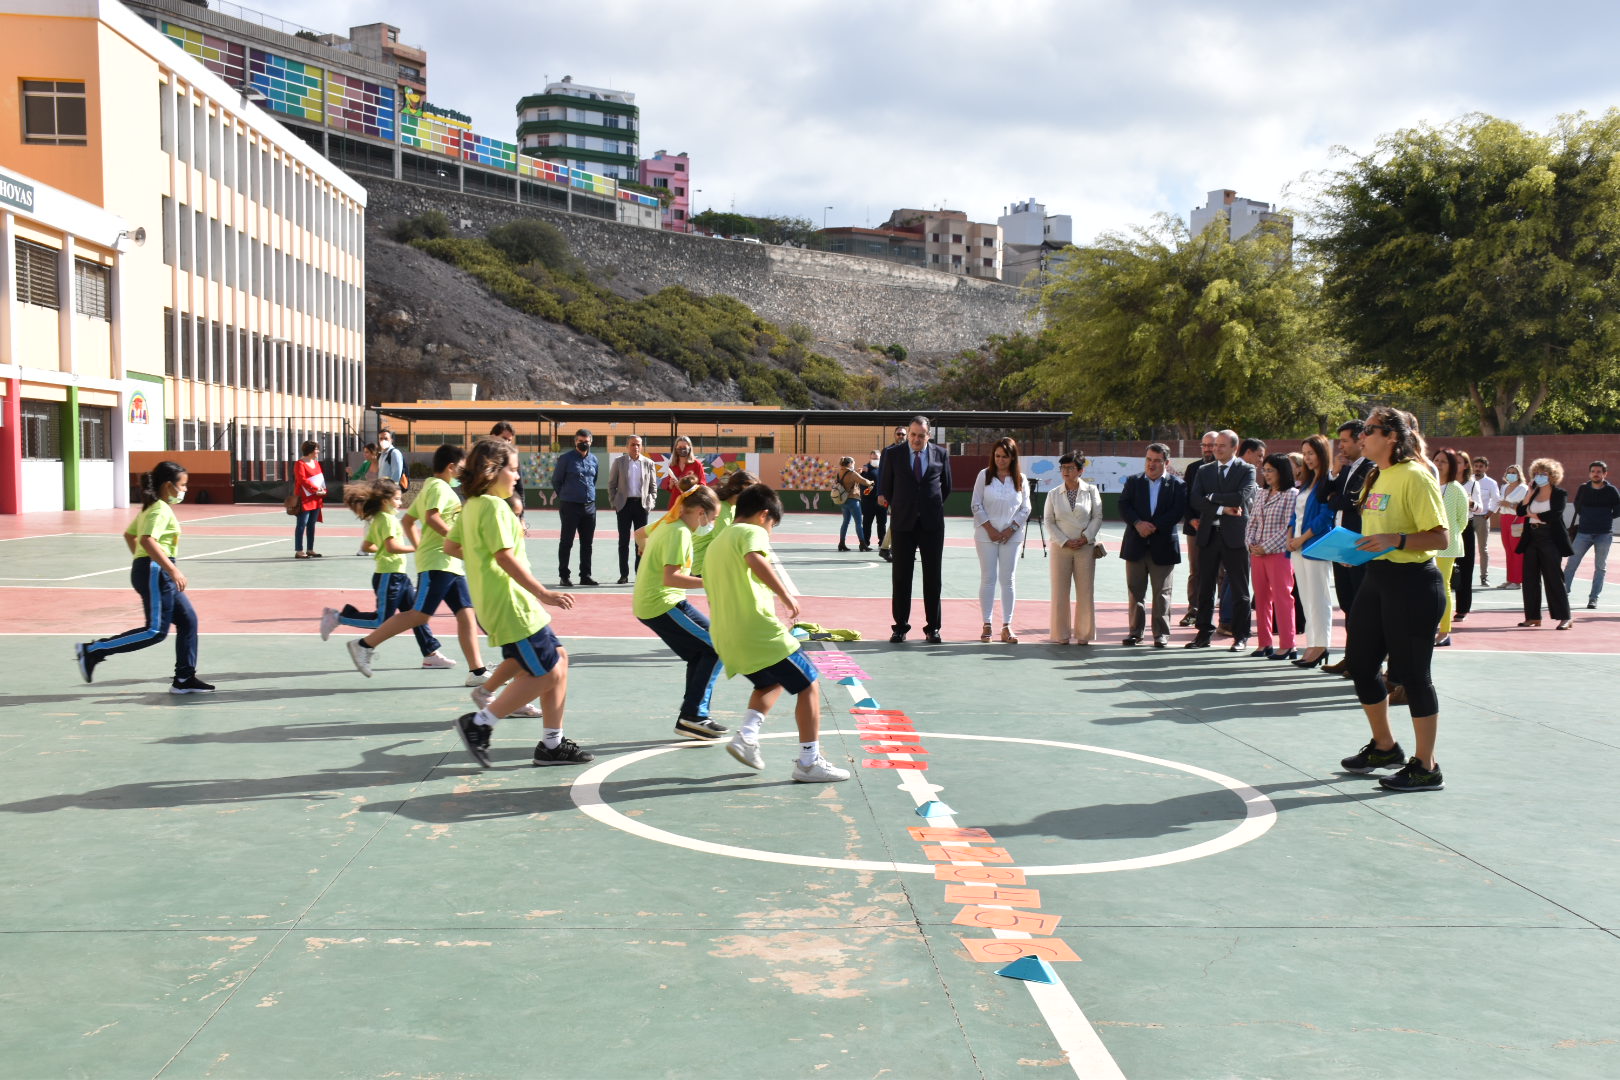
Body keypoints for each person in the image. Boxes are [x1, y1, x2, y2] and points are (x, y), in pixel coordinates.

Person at [447, 438, 585, 768]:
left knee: (560, 659)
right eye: (513, 469)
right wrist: (543, 592)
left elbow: (452, 547)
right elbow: (505, 558)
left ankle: (552, 744)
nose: (517, 476)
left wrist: (480, 558)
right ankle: (479, 725)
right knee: (549, 672)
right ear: (492, 472)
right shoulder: (494, 507)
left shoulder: (472, 507)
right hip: (512, 604)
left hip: (503, 603)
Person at [707, 483, 849, 783]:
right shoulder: (751, 532)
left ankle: (746, 736)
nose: (769, 532)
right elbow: (756, 560)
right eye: (772, 525)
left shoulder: (718, 541)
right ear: (764, 515)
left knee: (771, 682)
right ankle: (809, 762)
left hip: (725, 635)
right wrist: (786, 595)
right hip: (755, 629)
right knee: (808, 683)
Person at [1340, 406, 1450, 792]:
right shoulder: (1377, 475)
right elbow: (1378, 532)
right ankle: (1386, 747)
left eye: (1368, 430)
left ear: (1390, 436)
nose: (1360, 436)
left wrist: (1396, 540)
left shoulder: (1416, 476)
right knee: (1360, 662)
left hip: (1413, 583)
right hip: (1377, 578)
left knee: (1414, 676)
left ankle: (1426, 765)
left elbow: (1440, 538)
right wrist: (1355, 549)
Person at [328, 445, 484, 679]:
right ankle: (365, 645)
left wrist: (420, 546)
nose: (465, 472)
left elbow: (409, 521)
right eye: (462, 467)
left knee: (466, 614)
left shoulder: (433, 488)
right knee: (419, 615)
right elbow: (431, 519)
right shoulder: (439, 488)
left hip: (448, 563)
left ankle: (477, 671)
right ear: (451, 467)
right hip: (437, 563)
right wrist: (455, 541)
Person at [75, 461, 214, 694]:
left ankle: (184, 678)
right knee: (155, 632)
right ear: (169, 486)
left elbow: (130, 536)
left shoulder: (151, 508)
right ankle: (94, 650)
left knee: (188, 620)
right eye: (183, 485)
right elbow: (147, 540)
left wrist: (143, 561)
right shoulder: (158, 509)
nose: (185, 490)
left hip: (153, 569)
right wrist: (169, 569)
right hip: (157, 571)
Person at [323, 479, 449, 672]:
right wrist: (416, 547)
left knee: (416, 616)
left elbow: (367, 546)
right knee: (382, 621)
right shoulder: (387, 520)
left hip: (398, 576)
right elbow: (392, 547)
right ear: (386, 500)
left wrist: (382, 549)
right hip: (389, 577)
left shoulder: (380, 519)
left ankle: (430, 655)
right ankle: (338, 617)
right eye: (398, 499)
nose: (401, 502)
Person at [634, 484, 729, 741]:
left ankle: (692, 716)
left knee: (703, 652)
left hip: (662, 601)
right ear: (700, 512)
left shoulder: (668, 523)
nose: (712, 523)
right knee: (717, 645)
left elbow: (639, 534)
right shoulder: (679, 533)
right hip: (662, 603)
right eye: (713, 518)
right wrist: (712, 581)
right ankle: (694, 715)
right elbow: (671, 577)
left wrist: (645, 549)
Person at [878, 416, 951, 644]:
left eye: (921, 435)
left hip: (932, 524)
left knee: (932, 577)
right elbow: (886, 486)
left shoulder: (941, 454)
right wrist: (904, 506)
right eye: (913, 434)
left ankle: (933, 628)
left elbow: (946, 487)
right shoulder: (893, 454)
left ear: (928, 435)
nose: (916, 439)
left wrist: (928, 505)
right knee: (901, 577)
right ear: (907, 434)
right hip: (903, 525)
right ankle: (900, 626)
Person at [1187, 430, 1257, 651]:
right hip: (1208, 536)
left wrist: (1212, 496)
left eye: (1222, 446)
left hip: (1235, 537)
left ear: (1235, 448)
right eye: (1215, 445)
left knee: (1239, 588)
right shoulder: (1204, 470)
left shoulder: (1247, 469)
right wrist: (1221, 507)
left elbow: (1241, 496)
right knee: (1205, 587)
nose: (1216, 449)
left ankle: (1240, 636)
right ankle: (1203, 634)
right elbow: (1195, 499)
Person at [1118, 443, 1187, 648]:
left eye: (1157, 460)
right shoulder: (1133, 482)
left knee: (1162, 593)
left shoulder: (1178, 485)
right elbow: (1124, 505)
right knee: (1135, 592)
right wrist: (1138, 523)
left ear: (1166, 462)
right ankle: (1135, 632)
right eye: (1148, 459)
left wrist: (1153, 526)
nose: (1151, 464)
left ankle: (1161, 634)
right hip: (1135, 545)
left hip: (1163, 545)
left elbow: (1177, 511)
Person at [1322, 420, 1372, 676]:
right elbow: (1325, 496)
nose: (1340, 446)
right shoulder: (1345, 467)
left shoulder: (1371, 468)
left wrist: (1335, 499)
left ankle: (1365, 661)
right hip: (1340, 543)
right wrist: (1333, 472)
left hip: (1358, 544)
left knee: (1361, 607)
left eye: (1344, 441)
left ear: (1360, 440)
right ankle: (1352, 657)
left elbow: (1351, 501)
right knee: (1348, 605)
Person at [970, 437, 1032, 644]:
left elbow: (1026, 508)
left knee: (1008, 580)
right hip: (985, 536)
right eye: (997, 456)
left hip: (1012, 537)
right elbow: (976, 505)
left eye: (1005, 456)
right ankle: (986, 623)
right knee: (988, 578)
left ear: (1012, 457)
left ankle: (1007, 626)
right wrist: (990, 529)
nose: (1000, 460)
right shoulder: (984, 475)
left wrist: (1010, 529)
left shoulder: (1021, 479)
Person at [1285, 435, 1337, 667]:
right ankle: (1312, 644)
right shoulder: (1306, 483)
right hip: (1297, 547)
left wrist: (1302, 538)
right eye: (1304, 453)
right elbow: (1296, 514)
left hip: (1316, 547)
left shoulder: (1328, 481)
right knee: (1306, 598)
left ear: (1322, 454)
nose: (1307, 458)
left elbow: (1325, 518)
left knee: (1319, 598)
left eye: (1311, 453)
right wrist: (1290, 537)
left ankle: (1321, 645)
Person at [1044, 452, 1104, 645]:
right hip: (1060, 547)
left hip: (1085, 547)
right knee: (1060, 592)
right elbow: (1049, 520)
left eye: (1070, 468)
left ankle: (1084, 634)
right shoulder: (1053, 493)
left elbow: (1097, 516)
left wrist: (1085, 537)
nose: (1066, 472)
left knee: (1085, 592)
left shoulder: (1092, 491)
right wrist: (1064, 540)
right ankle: (1061, 634)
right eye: (1063, 468)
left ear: (1080, 470)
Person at [1247, 454, 1298, 660]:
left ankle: (1288, 645)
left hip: (1278, 554)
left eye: (1271, 470)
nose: (1266, 474)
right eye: (1264, 470)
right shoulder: (1261, 493)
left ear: (1282, 471)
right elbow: (1252, 522)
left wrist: (1265, 547)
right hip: (1257, 554)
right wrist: (1250, 544)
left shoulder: (1291, 494)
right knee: (1261, 599)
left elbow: (1288, 527)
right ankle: (1264, 643)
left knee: (1282, 598)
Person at [1514, 458, 1574, 630]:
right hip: (1531, 537)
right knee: (1530, 578)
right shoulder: (1533, 492)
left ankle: (1565, 617)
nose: (1540, 476)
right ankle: (1533, 617)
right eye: (1537, 474)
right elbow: (1520, 511)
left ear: (1552, 475)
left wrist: (1531, 515)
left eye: (1544, 474)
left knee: (1554, 578)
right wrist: (1529, 494)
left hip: (1550, 538)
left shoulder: (1560, 494)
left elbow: (1553, 515)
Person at [1564, 460, 1618, 610]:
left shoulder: (1612, 491)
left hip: (1604, 534)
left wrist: (1604, 517)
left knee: (1600, 567)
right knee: (1571, 564)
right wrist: (1588, 517)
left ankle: (1593, 598)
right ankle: (1563, 594)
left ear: (1605, 474)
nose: (1596, 474)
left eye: (1599, 471)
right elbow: (1577, 504)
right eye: (1593, 471)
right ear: (1589, 473)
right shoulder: (1583, 488)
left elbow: (1618, 508)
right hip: (1583, 533)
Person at [1431, 448, 1471, 647]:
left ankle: (1444, 631)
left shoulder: (1456, 489)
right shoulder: (1428, 485)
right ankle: (1430, 627)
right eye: (1436, 460)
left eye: (1443, 462)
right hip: (1427, 544)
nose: (1438, 464)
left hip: (1447, 546)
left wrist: (1449, 535)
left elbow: (1462, 520)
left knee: (1443, 586)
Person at [1179, 431, 1219, 627]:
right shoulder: (1193, 468)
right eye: (1204, 445)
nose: (1207, 449)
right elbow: (1185, 498)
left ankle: (1221, 616)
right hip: (1195, 528)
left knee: (1221, 573)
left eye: (1211, 445)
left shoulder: (1225, 469)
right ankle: (1193, 610)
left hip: (1219, 528)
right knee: (1196, 570)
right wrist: (1192, 519)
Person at [551, 428, 599, 587]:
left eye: (586, 441)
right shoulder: (565, 459)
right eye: (580, 441)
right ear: (575, 441)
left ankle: (585, 575)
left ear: (591, 441)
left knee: (587, 543)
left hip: (589, 507)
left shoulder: (594, 460)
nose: (583, 443)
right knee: (566, 542)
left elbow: (594, 480)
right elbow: (556, 481)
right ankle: (564, 576)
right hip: (570, 506)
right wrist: (566, 495)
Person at [609, 435, 658, 584]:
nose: (635, 447)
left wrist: (650, 503)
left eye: (638, 444)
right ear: (627, 446)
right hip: (624, 506)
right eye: (632, 445)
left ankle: (640, 574)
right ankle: (623, 575)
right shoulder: (619, 462)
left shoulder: (649, 463)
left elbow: (653, 487)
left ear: (641, 446)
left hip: (641, 506)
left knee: (641, 543)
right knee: (623, 541)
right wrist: (615, 503)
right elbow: (612, 484)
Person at [693, 469, 757, 577]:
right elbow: (723, 543)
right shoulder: (722, 510)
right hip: (705, 565)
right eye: (753, 492)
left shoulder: (732, 506)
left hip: (715, 561)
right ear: (742, 489)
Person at [1451, 450, 1477, 623]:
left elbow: (1480, 507)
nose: (1456, 465)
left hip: (1465, 526)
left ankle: (1463, 608)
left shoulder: (1472, 484)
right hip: (1447, 527)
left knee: (1465, 567)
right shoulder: (1444, 482)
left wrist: (1471, 503)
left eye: (1460, 462)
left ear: (1466, 465)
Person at [1466, 455, 1499, 587]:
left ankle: (1484, 577)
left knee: (1482, 549)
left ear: (1486, 468)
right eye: (1476, 466)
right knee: (1465, 547)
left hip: (1482, 518)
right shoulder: (1468, 481)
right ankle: (1463, 575)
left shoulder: (1491, 483)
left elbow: (1496, 499)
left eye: (1481, 466)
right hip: (1467, 517)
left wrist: (1488, 515)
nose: (1478, 469)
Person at [876, 426, 907, 563]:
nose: (901, 436)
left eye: (903, 434)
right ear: (894, 435)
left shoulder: (910, 450)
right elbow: (882, 473)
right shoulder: (888, 451)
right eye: (898, 434)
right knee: (897, 520)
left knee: (900, 521)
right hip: (893, 493)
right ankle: (890, 549)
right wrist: (881, 493)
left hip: (907, 493)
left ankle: (889, 549)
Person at [1496, 464, 1530, 590]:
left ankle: (1517, 581)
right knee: (1508, 549)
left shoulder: (1523, 488)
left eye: (1514, 472)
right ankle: (1510, 579)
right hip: (1504, 518)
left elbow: (1523, 507)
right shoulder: (1504, 486)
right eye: (1509, 472)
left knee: (1516, 550)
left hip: (1516, 519)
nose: (1511, 474)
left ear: (1519, 474)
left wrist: (1509, 504)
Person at [292, 440, 326, 559]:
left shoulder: (316, 463)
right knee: (302, 524)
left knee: (311, 524)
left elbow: (321, 478)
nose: (318, 451)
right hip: (304, 498)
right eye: (316, 449)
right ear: (310, 451)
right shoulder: (299, 463)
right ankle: (299, 550)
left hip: (316, 498)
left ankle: (310, 549)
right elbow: (302, 480)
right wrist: (315, 489)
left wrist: (323, 490)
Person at [833, 456, 873, 552]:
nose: (854, 464)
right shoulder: (852, 473)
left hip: (843, 500)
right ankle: (862, 544)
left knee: (845, 522)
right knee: (858, 523)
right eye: (853, 462)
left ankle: (841, 543)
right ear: (850, 463)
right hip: (853, 500)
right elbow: (864, 481)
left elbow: (846, 480)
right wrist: (871, 482)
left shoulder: (840, 472)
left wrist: (857, 473)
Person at [489, 422, 526, 520]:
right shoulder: (481, 457)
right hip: (488, 510)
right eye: (504, 438)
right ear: (493, 436)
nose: (507, 443)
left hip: (508, 512)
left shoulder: (513, 459)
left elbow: (520, 488)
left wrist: (521, 518)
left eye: (509, 440)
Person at [859, 449, 884, 555]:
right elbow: (862, 484)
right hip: (868, 501)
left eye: (877, 458)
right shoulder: (865, 469)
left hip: (882, 501)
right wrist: (863, 472)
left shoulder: (884, 468)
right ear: (870, 458)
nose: (875, 460)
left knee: (882, 523)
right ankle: (865, 543)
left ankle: (882, 544)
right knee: (867, 523)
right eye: (873, 458)